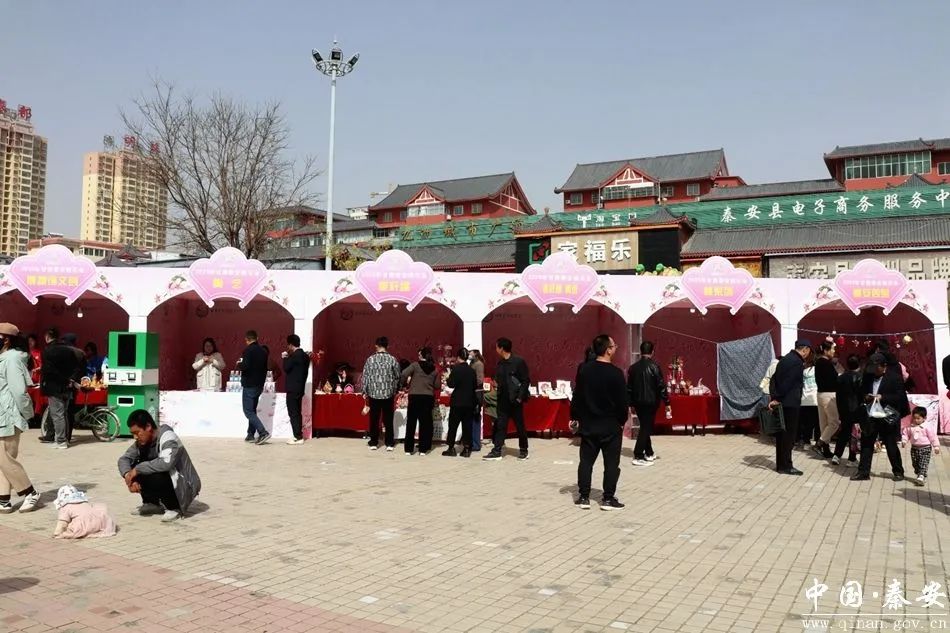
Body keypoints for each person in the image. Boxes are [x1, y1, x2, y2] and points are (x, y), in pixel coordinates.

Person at [573, 335, 628, 511]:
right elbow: (623, 402)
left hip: (589, 424)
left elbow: (577, 396)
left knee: (586, 462)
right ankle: (608, 499)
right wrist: (622, 421)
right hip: (610, 426)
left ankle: (584, 497)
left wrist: (574, 417)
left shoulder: (584, 370)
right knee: (611, 464)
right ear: (608, 350)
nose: (616, 348)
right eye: (614, 345)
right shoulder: (616, 373)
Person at [118, 409, 201, 523]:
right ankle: (152, 503)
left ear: (148, 427)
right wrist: (129, 476)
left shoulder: (168, 437)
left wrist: (137, 470)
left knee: (148, 470)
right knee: (136, 466)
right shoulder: (141, 442)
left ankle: (174, 507)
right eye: (133, 434)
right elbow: (124, 459)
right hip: (167, 478)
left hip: (185, 484)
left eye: (137, 433)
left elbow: (166, 463)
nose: (135, 437)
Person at [0, 324, 41, 513]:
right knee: (5, 459)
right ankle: (3, 500)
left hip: (8, 414)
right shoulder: (5, 357)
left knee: (4, 458)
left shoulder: (12, 358)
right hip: (3, 413)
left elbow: (18, 390)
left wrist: (27, 413)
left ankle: (30, 492)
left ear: (6, 339)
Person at [852, 353, 909, 482]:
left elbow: (899, 397)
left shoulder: (894, 378)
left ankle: (898, 471)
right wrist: (866, 396)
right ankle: (863, 472)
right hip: (871, 414)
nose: (874, 371)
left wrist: (883, 397)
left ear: (884, 366)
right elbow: (861, 391)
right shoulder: (868, 376)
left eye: (877, 368)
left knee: (890, 444)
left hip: (887, 414)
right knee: (867, 442)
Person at [768, 339, 811, 476]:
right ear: (805, 349)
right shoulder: (796, 362)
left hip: (782, 402)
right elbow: (788, 383)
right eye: (808, 351)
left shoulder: (784, 359)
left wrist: (774, 397)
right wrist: (778, 397)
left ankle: (781, 465)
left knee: (781, 435)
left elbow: (773, 380)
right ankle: (786, 465)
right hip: (790, 403)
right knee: (789, 435)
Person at [483, 337, 530, 461]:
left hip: (515, 400)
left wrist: (519, 398)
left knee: (520, 426)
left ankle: (524, 450)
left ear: (502, 348)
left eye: (497, 347)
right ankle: (497, 450)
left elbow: (525, 380)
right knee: (500, 426)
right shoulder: (500, 363)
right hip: (502, 400)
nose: (496, 349)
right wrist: (495, 383)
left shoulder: (518, 362)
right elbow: (498, 379)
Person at [626, 341, 670, 466]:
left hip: (638, 402)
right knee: (646, 427)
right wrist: (667, 402)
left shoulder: (633, 368)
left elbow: (629, 388)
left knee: (645, 426)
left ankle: (649, 452)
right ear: (652, 352)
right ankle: (638, 454)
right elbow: (661, 386)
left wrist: (630, 403)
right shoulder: (655, 367)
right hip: (651, 402)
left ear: (641, 352)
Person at [39, 328, 83, 448]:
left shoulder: (47, 351)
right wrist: (70, 380)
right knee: (64, 413)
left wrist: (64, 380)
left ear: (47, 337)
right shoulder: (68, 350)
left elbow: (49, 370)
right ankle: (65, 439)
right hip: (68, 386)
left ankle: (61, 440)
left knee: (57, 415)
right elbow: (76, 368)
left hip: (54, 386)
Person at [361, 336, 401, 451]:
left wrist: (364, 391)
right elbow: (398, 376)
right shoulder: (392, 359)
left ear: (376, 346)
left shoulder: (370, 359)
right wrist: (395, 389)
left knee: (374, 419)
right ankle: (389, 443)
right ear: (387, 346)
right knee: (388, 419)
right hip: (388, 393)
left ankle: (374, 442)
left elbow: (365, 376)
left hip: (373, 393)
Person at [401, 347, 440, 455]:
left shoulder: (415, 365)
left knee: (411, 423)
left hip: (414, 396)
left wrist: (405, 384)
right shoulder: (434, 369)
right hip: (427, 397)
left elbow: (403, 374)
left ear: (421, 355)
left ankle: (409, 449)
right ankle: (423, 449)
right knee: (425, 424)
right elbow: (437, 385)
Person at [237, 330, 270, 445]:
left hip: (249, 384)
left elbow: (245, 366)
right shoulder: (263, 351)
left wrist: (239, 364)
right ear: (257, 338)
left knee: (248, 411)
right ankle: (250, 434)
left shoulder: (248, 350)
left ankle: (263, 432)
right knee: (252, 410)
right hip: (259, 384)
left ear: (246, 340)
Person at [444, 347, 478, 457]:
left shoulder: (456, 369)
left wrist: (448, 377)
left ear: (458, 357)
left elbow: (451, 384)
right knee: (467, 426)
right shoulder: (472, 371)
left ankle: (451, 448)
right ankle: (467, 448)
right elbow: (475, 386)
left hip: (457, 401)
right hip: (469, 401)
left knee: (453, 425)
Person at [832, 355, 865, 467]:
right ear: (859, 364)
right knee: (854, 434)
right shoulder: (861, 377)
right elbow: (861, 395)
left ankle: (836, 455)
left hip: (844, 409)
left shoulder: (841, 377)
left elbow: (838, 395)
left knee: (844, 432)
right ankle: (851, 458)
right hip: (856, 409)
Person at [282, 334, 310, 445]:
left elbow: (286, 368)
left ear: (290, 344)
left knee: (293, 412)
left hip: (292, 389)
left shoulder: (293, 356)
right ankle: (299, 435)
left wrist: (285, 357)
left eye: (288, 345)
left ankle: (297, 437)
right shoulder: (305, 356)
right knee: (298, 412)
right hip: (300, 388)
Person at [814, 341, 840, 458]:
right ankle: (819, 444)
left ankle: (826, 449)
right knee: (834, 423)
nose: (834, 351)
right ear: (825, 350)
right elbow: (833, 380)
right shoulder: (826, 363)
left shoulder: (819, 362)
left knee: (824, 424)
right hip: (829, 395)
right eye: (832, 349)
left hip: (820, 394)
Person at [902, 406, 940, 486]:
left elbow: (933, 437)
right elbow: (906, 434)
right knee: (915, 464)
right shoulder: (910, 427)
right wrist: (904, 441)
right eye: (914, 418)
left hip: (925, 448)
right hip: (914, 448)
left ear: (924, 418)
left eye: (918, 418)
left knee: (923, 463)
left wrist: (936, 446)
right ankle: (919, 474)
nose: (916, 420)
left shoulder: (927, 427)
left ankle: (921, 476)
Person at [798, 354, 819, 447]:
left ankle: (805, 440)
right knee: (816, 422)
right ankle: (817, 441)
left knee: (805, 422)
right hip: (815, 400)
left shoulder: (804, 371)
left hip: (804, 399)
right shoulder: (818, 371)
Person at [469, 349, 485, 452]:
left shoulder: (479, 364)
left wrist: (469, 383)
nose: (469, 354)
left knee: (475, 418)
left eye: (470, 352)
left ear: (475, 353)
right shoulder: (472, 363)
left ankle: (476, 443)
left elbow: (480, 380)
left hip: (476, 393)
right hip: (472, 392)